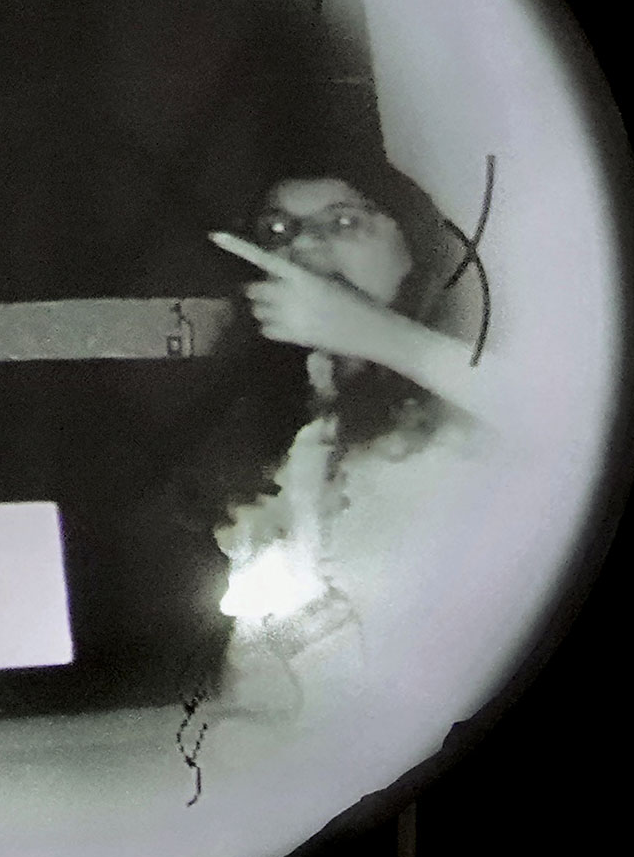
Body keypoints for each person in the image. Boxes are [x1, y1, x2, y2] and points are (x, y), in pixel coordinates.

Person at [201, 164, 490, 707]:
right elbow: (262, 679)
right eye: (278, 231)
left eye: (343, 222)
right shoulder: (291, 430)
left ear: (414, 250)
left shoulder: (474, 387)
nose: (304, 246)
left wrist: (368, 331)